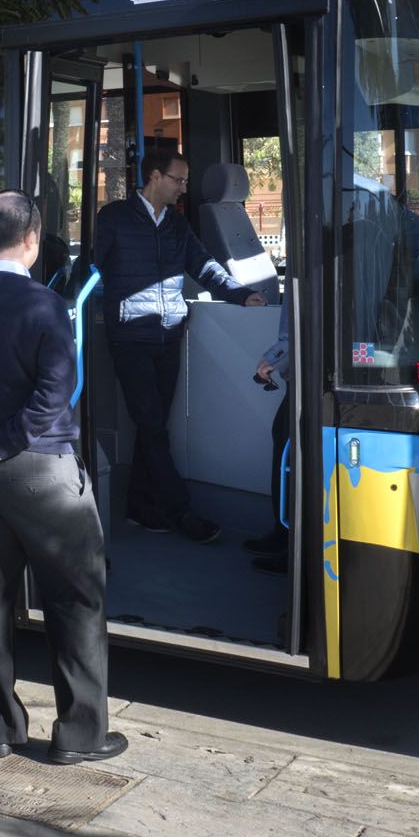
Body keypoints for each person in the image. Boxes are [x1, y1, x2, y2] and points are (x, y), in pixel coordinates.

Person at [0, 189, 126, 766]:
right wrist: (5, 442)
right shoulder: (44, 307)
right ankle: (79, 735)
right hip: (44, 474)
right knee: (77, 597)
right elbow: (56, 391)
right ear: (32, 239)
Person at [93, 148, 266, 543]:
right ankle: (180, 511)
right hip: (130, 338)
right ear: (154, 177)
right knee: (152, 426)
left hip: (169, 335)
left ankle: (138, 506)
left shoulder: (176, 224)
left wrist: (241, 295)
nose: (184, 188)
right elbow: (94, 266)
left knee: (151, 426)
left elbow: (204, 265)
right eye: (179, 180)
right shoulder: (115, 219)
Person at [244, 300, 292, 574]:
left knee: (287, 446)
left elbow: (303, 315)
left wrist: (275, 357)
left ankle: (289, 539)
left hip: (309, 372)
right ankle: (284, 532)